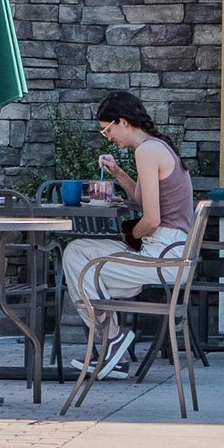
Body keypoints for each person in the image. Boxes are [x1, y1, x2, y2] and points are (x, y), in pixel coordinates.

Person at [57, 91, 195, 380]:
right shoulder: (155, 147)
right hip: (169, 252)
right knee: (77, 251)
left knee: (81, 270)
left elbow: (153, 220)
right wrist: (119, 174)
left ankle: (111, 341)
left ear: (122, 121)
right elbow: (148, 203)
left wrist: (129, 235)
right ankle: (114, 349)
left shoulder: (146, 151)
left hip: (162, 259)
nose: (107, 137)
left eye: (107, 129)